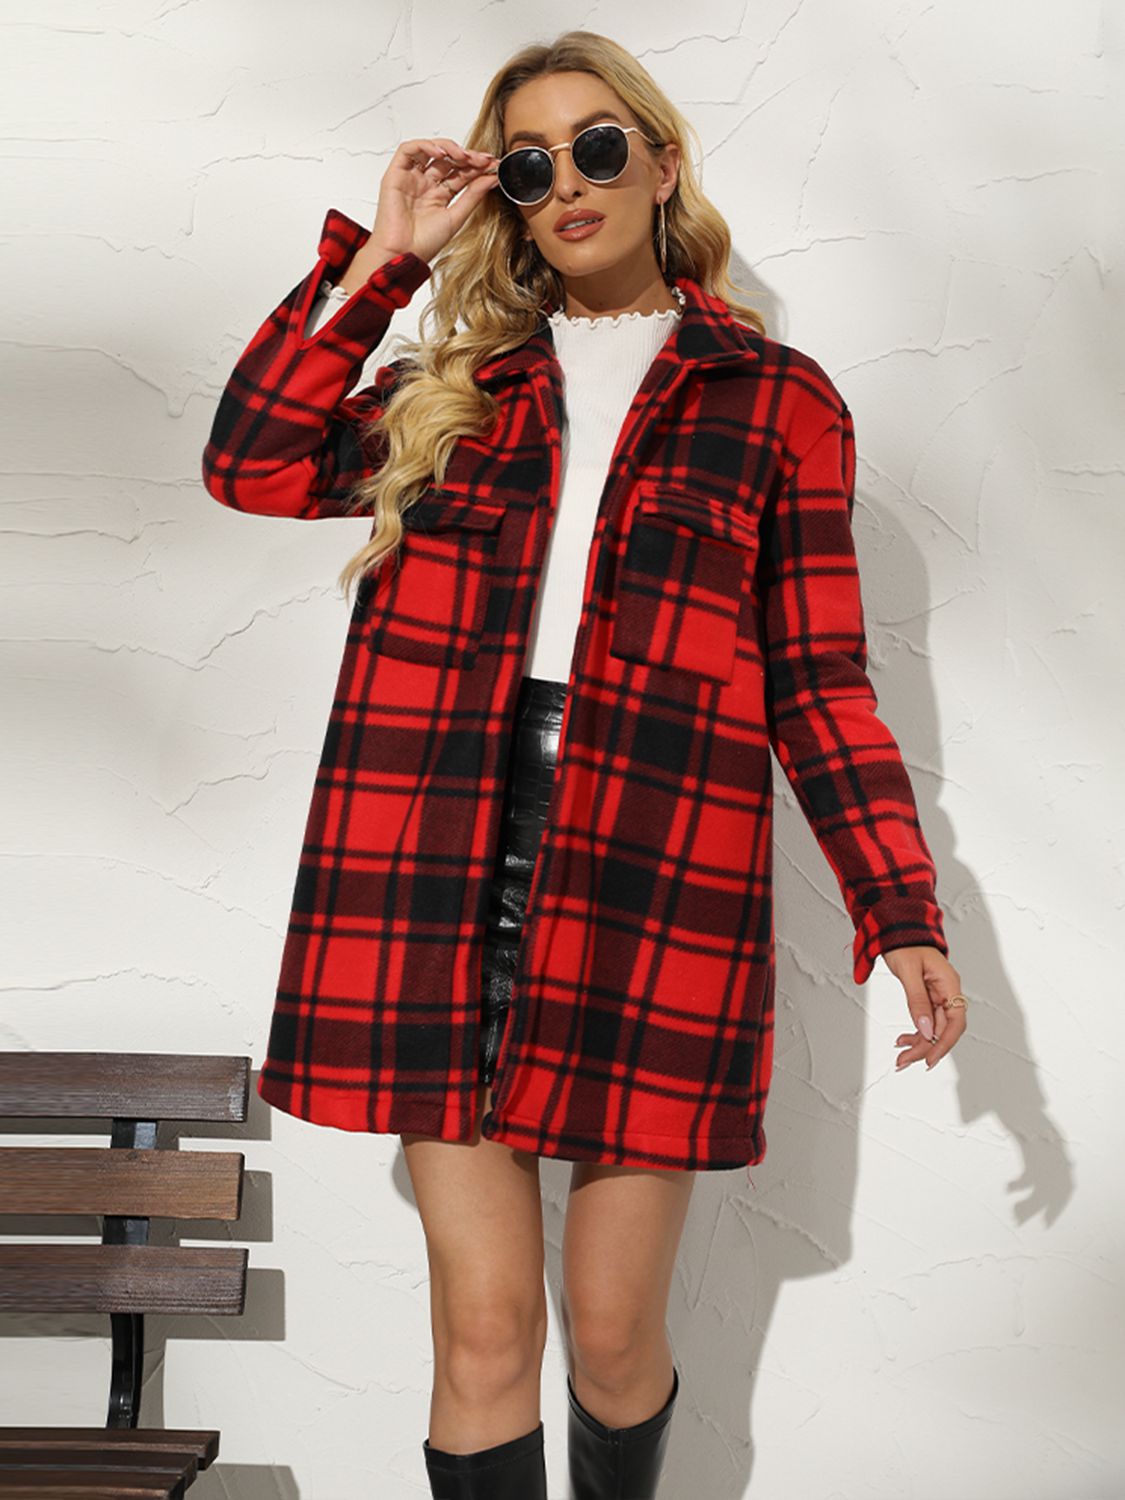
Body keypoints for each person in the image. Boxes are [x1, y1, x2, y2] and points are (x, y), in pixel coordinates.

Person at [201, 28, 968, 1500]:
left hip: (650, 867)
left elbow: (817, 682)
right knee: (485, 1329)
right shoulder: (461, 387)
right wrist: (386, 262)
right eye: (531, 163)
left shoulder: (776, 400)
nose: (568, 183)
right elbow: (252, 460)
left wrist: (902, 908)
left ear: (661, 165)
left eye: (599, 147)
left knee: (613, 1335)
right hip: (430, 861)